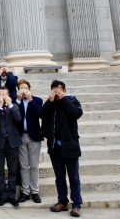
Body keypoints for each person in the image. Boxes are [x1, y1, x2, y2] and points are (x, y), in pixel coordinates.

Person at [39, 80, 83, 218]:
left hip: (70, 146)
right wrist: (50, 101)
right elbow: (41, 114)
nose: (57, 94)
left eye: (59, 91)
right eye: (54, 91)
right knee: (59, 176)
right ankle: (62, 201)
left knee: (73, 177)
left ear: (64, 90)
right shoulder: (51, 104)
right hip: (54, 147)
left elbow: (75, 114)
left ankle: (76, 204)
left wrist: (64, 99)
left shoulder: (72, 101)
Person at [0, 86, 22, 207]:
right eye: (1, 94)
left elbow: (18, 119)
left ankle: (11, 195)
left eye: (6, 94)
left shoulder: (14, 106)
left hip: (12, 142)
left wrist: (10, 105)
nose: (4, 96)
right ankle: (2, 195)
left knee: (13, 170)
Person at [15, 80, 43, 204]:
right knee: (23, 165)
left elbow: (39, 114)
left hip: (34, 136)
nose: (24, 90)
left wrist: (30, 100)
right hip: (21, 136)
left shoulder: (37, 100)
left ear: (30, 88)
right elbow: (14, 115)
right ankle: (25, 191)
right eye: (21, 88)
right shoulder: (16, 101)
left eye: (25, 88)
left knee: (34, 165)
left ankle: (35, 191)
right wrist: (18, 100)